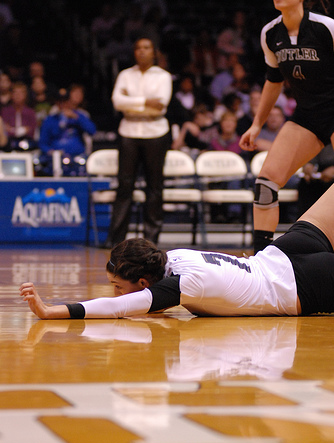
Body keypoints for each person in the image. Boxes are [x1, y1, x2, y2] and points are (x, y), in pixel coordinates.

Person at [19, 179, 334, 318]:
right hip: (285, 249)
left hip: (303, 284)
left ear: (144, 283)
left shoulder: (181, 286)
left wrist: (49, 311)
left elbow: (113, 310)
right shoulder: (176, 257)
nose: (115, 293)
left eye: (118, 285)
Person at [239, 0, 334, 254]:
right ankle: (261, 259)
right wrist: (257, 124)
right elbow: (273, 81)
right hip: (307, 116)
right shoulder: (270, 33)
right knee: (265, 185)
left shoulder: (326, 28)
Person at [102, 36, 172, 248]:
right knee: (125, 186)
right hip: (129, 131)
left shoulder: (163, 76)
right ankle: (116, 240)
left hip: (156, 131)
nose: (141, 51)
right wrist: (144, 102)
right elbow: (117, 102)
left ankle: (151, 240)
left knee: (154, 187)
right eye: (138, 48)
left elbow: (161, 105)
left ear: (154, 52)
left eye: (146, 47)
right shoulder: (125, 75)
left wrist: (131, 103)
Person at [38, 88, 96, 176]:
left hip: (77, 158)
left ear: (70, 101)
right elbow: (43, 143)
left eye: (65, 101)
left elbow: (92, 130)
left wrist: (76, 117)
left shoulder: (79, 116)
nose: (63, 104)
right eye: (60, 102)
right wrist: (50, 151)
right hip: (56, 160)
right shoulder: (50, 120)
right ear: (56, 103)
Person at [1, 80, 37, 150]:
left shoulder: (30, 112)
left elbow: (31, 130)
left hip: (27, 142)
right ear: (11, 95)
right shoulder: (5, 111)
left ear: (25, 95)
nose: (18, 96)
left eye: (21, 93)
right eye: (15, 93)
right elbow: (4, 129)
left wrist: (12, 130)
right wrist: (21, 130)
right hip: (9, 142)